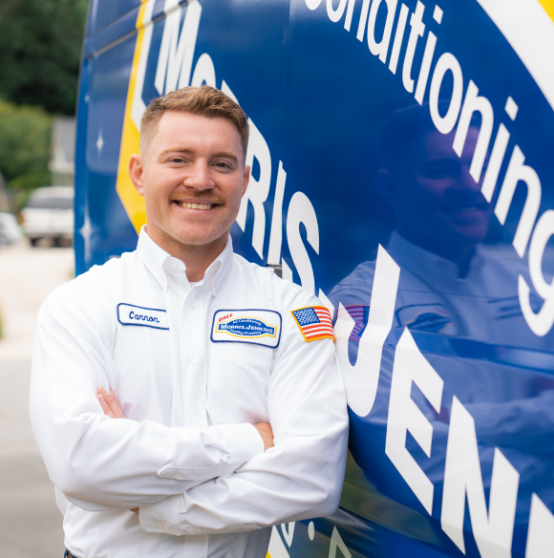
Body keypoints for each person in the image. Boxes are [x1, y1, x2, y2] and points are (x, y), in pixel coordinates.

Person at [30, 86, 349, 558]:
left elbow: (313, 479)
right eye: (178, 160)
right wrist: (248, 442)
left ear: (243, 180)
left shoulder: (292, 311)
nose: (200, 180)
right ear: (139, 173)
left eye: (221, 164)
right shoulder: (80, 304)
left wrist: (158, 502)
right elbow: (80, 465)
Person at [329, 104, 554, 556]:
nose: (469, 186)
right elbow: (428, 465)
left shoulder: (536, 275)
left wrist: (478, 422)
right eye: (442, 170)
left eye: (479, 168)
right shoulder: (362, 303)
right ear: (390, 187)